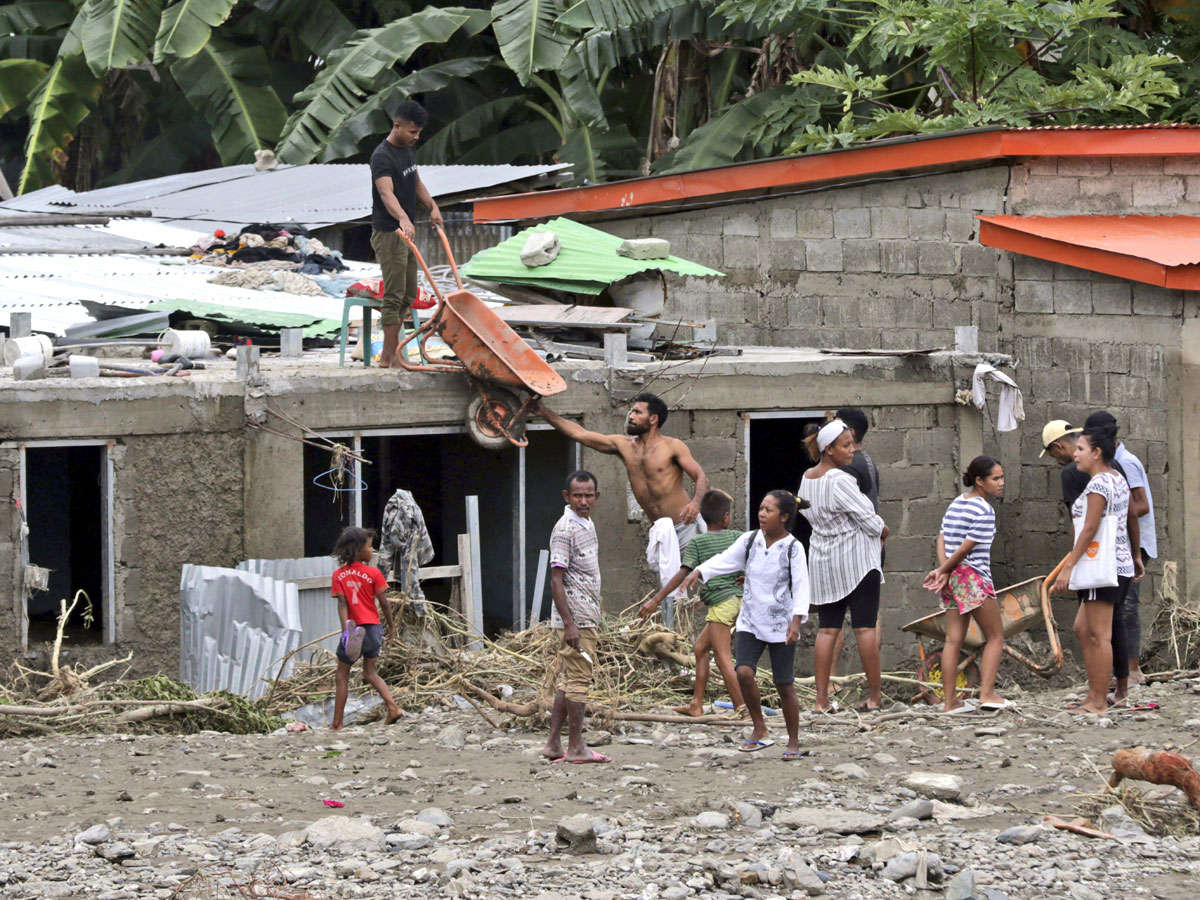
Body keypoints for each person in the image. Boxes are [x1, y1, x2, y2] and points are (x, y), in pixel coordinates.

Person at [535, 392, 708, 629]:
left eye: (638, 412)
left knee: (683, 586)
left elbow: (700, 475)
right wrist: (543, 412)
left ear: (654, 419)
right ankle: (671, 639)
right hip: (660, 530)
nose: (632, 416)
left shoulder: (672, 447)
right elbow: (580, 433)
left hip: (684, 526)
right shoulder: (625, 446)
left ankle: (688, 640)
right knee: (669, 587)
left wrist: (696, 502)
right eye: (632, 411)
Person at [681, 490, 810, 759]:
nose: (761, 514)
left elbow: (801, 587)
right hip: (751, 620)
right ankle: (759, 728)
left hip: (781, 624)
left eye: (769, 511)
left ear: (784, 517)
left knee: (784, 684)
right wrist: (699, 571)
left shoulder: (793, 549)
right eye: (761, 508)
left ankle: (793, 741)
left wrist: (796, 621)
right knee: (743, 673)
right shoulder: (750, 540)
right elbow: (726, 560)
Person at [1040, 417, 1142, 704]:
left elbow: (1089, 528)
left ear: (1096, 453)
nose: (1076, 455)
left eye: (1081, 449)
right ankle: (1095, 695)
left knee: (1099, 635)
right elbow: (1129, 516)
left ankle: (1097, 702)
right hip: (1118, 564)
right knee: (1083, 629)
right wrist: (1135, 556)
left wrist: (1069, 567)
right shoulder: (1116, 477)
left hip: (1102, 567)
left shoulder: (1098, 484)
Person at [799, 419, 889, 713]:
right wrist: (884, 532)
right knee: (864, 628)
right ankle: (875, 697)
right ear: (829, 450)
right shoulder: (841, 480)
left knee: (827, 629)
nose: (852, 450)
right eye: (846, 445)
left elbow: (809, 517)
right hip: (857, 562)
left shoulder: (806, 479)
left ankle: (821, 700)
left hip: (824, 560)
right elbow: (870, 519)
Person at [639, 489, 746, 718]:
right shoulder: (737, 537)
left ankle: (742, 709)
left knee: (723, 658)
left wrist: (656, 599)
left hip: (721, 604)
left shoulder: (698, 542)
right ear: (726, 517)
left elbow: (681, 574)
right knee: (700, 649)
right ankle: (696, 705)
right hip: (736, 601)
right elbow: (754, 561)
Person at [923, 456, 1009, 714]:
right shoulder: (985, 510)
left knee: (953, 640)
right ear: (980, 481)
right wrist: (943, 569)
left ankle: (950, 702)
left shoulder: (957, 503)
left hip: (953, 577)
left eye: (1002, 477)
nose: (1001, 483)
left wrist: (944, 571)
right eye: (996, 478)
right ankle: (987, 693)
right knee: (995, 637)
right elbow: (963, 549)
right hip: (973, 578)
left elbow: (942, 539)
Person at [542, 470, 611, 764]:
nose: (583, 501)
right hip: (576, 618)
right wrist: (569, 623)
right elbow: (556, 580)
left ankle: (554, 744)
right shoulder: (565, 528)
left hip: (585, 614)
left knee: (569, 679)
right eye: (577, 495)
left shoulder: (586, 522)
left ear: (596, 497)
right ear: (566, 497)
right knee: (580, 679)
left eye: (588, 495)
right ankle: (576, 747)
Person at [369, 100, 443, 369]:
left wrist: (432, 206)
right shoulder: (382, 156)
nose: (416, 137)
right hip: (389, 233)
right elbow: (386, 193)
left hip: (406, 232)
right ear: (396, 125)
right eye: (412, 132)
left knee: (409, 293)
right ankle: (392, 357)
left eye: (419, 132)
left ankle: (391, 354)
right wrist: (401, 217)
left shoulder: (409, 151)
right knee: (394, 294)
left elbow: (416, 182)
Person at [1087, 411, 1155, 687]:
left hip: (1135, 543)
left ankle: (1133, 669)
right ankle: (1120, 672)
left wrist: (1107, 517)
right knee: (1119, 609)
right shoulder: (1113, 463)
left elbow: (1141, 505)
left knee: (1127, 608)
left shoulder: (1127, 462)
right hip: (1121, 543)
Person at [330, 526, 404, 730]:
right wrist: (390, 626)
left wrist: (346, 630)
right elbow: (385, 603)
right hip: (373, 628)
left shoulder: (339, 575)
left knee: (342, 674)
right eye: (370, 547)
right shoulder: (373, 573)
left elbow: (342, 604)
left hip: (354, 630)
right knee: (370, 672)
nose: (372, 551)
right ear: (357, 549)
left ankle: (337, 723)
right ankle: (393, 707)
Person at [377, 487, 434, 613]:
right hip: (402, 541)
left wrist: (417, 604)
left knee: (410, 572)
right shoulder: (393, 515)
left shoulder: (409, 523)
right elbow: (386, 552)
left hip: (411, 544)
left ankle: (415, 609)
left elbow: (410, 570)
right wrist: (377, 587)